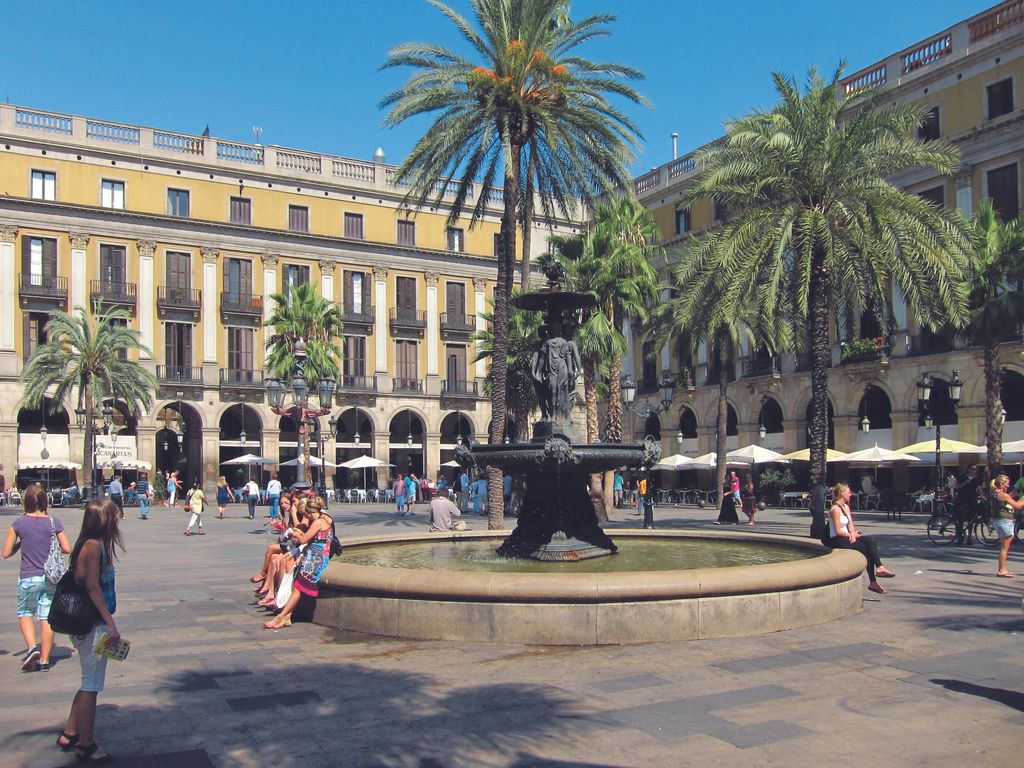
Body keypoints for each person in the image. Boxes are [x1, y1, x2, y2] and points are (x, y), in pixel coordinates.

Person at [57, 498, 123, 763]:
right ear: (106, 520)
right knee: (91, 685)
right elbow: (93, 587)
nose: (118, 520)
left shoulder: (89, 543)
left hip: (87, 623)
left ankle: (70, 732)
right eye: (115, 515)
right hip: (93, 623)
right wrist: (110, 624)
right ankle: (86, 744)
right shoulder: (94, 547)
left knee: (88, 680)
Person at [1, 485, 72, 672]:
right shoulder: (54, 522)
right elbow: (67, 548)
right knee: (47, 617)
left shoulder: (18, 524)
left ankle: (33, 648)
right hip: (50, 577)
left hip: (28, 577)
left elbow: (5, 553)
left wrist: (20, 544)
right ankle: (45, 660)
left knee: (25, 613)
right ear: (45, 501)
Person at [264, 496, 333, 629]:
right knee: (297, 586)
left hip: (315, 559)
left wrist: (294, 534)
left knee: (297, 587)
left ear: (309, 512)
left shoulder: (317, 523)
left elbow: (303, 540)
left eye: (305, 514)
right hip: (315, 555)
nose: (305, 517)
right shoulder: (325, 519)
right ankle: (286, 616)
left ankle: (281, 617)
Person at [828, 483, 895, 593]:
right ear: (841, 494)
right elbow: (838, 531)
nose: (850, 494)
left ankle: (879, 568)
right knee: (865, 550)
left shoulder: (845, 507)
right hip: (837, 539)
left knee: (870, 540)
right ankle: (873, 581)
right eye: (848, 492)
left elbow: (850, 525)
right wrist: (851, 535)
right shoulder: (835, 509)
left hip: (848, 536)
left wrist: (853, 533)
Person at [991, 474, 1024, 578]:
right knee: (1005, 547)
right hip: (1003, 521)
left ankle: (1003, 569)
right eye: (1007, 483)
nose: (1008, 485)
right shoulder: (1002, 495)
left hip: (1001, 520)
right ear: (1002, 483)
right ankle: (1001, 570)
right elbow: (1017, 506)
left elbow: (1013, 502)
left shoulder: (998, 493)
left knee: (1004, 546)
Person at [953, 464, 982, 545]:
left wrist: (982, 495)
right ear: (968, 469)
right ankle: (960, 537)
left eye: (975, 469)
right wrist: (965, 483)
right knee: (961, 519)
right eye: (973, 469)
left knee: (971, 519)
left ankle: (969, 537)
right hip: (962, 500)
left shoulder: (976, 479)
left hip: (972, 500)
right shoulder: (962, 477)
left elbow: (979, 488)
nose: (974, 471)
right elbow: (957, 487)